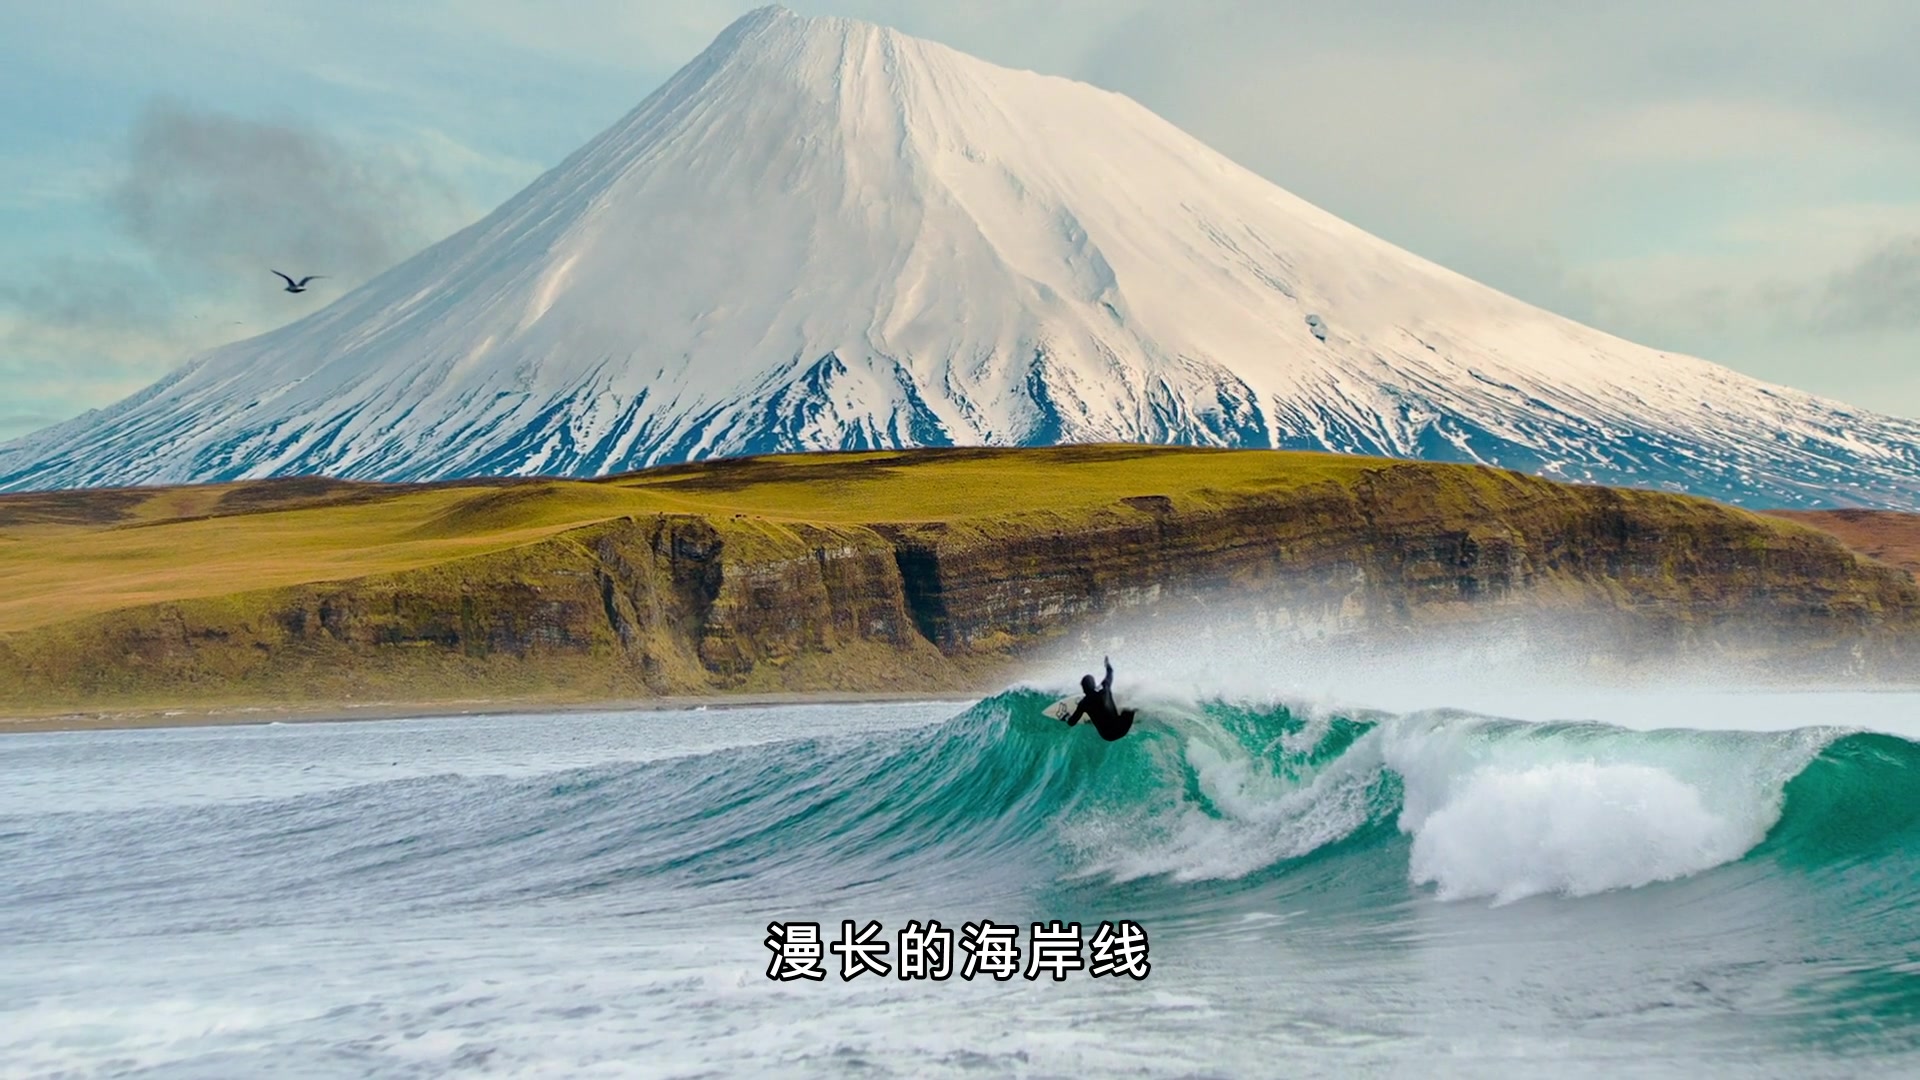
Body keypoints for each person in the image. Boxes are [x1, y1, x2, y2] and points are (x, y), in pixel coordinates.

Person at [1061, 656, 1137, 741]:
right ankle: (1138, 710)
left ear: (1083, 688)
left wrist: (1067, 718)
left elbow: (1072, 722)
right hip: (1121, 728)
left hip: (1107, 736)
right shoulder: (1105, 688)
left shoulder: (1083, 703)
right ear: (1093, 684)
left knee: (1099, 717)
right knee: (1132, 701)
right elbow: (1110, 672)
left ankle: (1092, 721)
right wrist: (1107, 664)